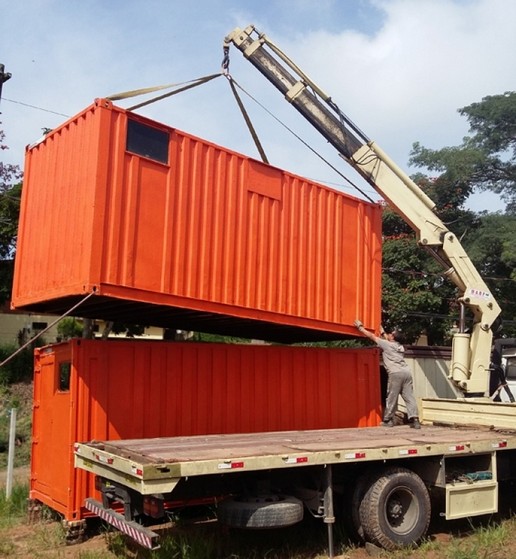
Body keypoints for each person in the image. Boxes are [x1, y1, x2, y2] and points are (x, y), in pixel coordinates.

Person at [354, 319, 421, 429]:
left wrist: (360, 328)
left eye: (391, 334)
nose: (389, 335)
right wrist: (383, 332)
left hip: (395, 374)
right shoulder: (400, 347)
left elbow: (371, 336)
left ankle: (388, 420)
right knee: (409, 397)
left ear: (393, 337)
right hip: (406, 373)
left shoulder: (387, 345)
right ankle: (415, 420)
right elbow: (389, 342)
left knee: (391, 396)